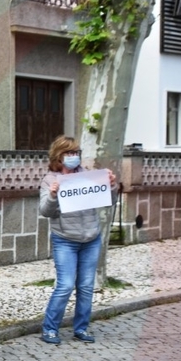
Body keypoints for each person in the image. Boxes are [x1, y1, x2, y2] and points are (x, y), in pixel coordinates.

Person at [39, 135, 118, 345]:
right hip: (65, 239)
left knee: (85, 286)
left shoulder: (89, 177)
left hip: (91, 238)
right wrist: (53, 195)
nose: (73, 157)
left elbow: (109, 202)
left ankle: (81, 328)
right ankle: (49, 328)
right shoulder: (49, 179)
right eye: (69, 153)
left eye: (76, 153)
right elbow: (45, 211)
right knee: (64, 285)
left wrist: (112, 186)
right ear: (59, 156)